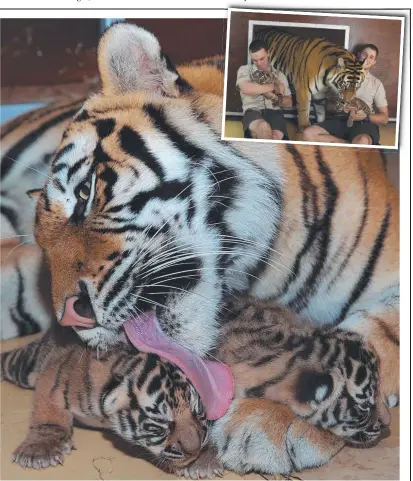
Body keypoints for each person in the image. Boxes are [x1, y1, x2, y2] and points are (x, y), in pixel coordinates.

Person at [303, 44, 389, 145]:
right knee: (307, 134)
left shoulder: (376, 84)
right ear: (357, 55)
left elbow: (385, 118)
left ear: (374, 62)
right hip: (339, 119)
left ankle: (354, 144)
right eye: (364, 54)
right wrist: (340, 108)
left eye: (371, 57)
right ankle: (350, 144)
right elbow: (326, 105)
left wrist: (366, 117)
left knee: (363, 141)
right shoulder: (339, 75)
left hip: (363, 123)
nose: (366, 59)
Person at [236, 39, 293, 140]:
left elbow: (289, 103)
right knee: (263, 127)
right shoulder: (244, 70)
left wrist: (272, 96)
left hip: (275, 113)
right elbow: (246, 88)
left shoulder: (280, 75)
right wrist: (274, 86)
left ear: (268, 53)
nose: (259, 63)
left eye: (262, 59)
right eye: (255, 60)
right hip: (253, 111)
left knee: (275, 137)